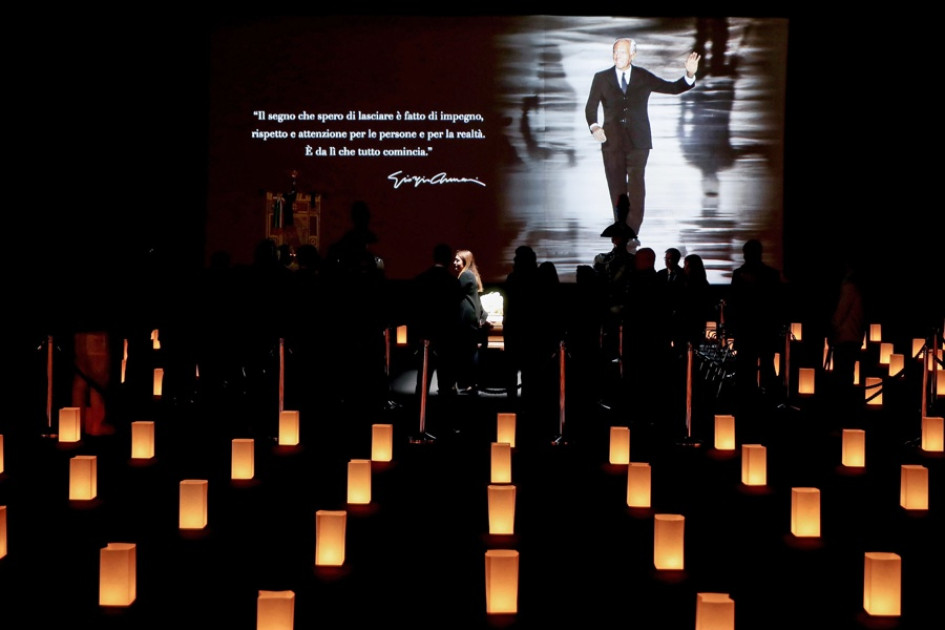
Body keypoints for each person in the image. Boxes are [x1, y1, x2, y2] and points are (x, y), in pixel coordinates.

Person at [585, 38, 700, 238]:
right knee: (617, 190)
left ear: (633, 55)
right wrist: (594, 127)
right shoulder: (601, 78)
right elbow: (590, 106)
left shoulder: (643, 76)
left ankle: (632, 235)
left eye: (621, 52)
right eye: (614, 52)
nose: (616, 56)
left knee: (636, 190)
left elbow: (672, 88)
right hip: (611, 143)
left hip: (639, 142)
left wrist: (689, 74)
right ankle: (620, 235)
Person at [411, 243, 463, 397]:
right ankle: (444, 418)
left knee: (422, 383)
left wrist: (417, 336)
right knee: (446, 385)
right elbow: (455, 313)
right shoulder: (453, 282)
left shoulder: (421, 279)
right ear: (448, 259)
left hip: (426, 337)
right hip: (446, 339)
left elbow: (415, 311)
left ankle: (417, 416)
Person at [453, 249, 485, 395]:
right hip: (470, 318)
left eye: (457, 260)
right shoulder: (470, 275)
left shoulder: (465, 275)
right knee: (470, 351)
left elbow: (454, 294)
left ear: (465, 261)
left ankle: (470, 383)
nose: (454, 263)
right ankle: (470, 383)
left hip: (466, 319)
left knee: (468, 352)